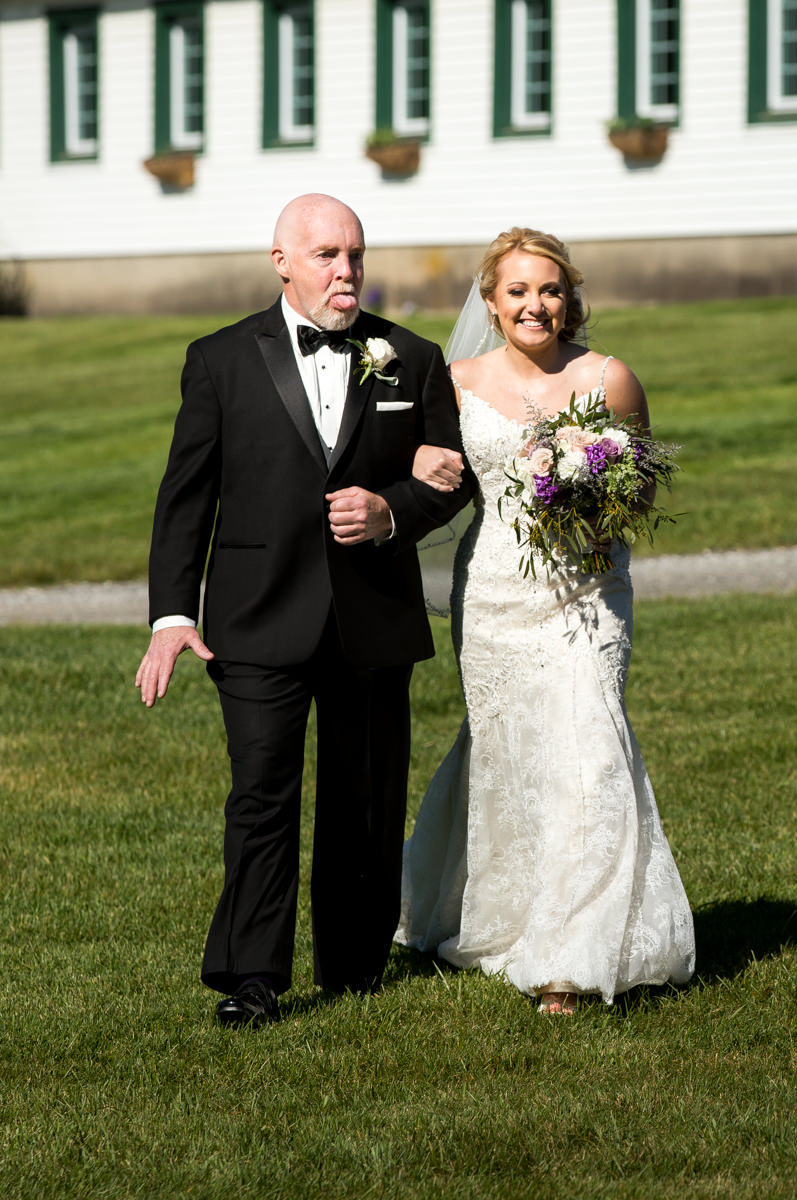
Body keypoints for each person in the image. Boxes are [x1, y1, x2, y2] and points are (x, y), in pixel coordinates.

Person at [135, 194, 475, 1027]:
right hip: (255, 615)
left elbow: (448, 479)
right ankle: (252, 978)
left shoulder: (411, 358)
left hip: (372, 616)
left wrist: (392, 509)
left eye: (355, 254)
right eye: (326, 255)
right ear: (281, 260)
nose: (346, 270)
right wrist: (173, 616)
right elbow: (187, 500)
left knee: (364, 800)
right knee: (260, 795)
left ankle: (355, 969)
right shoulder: (218, 360)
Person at [394, 228, 695, 1015]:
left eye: (551, 290)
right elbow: (426, 476)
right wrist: (420, 469)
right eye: (519, 291)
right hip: (494, 591)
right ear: (490, 304)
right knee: (507, 750)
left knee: (587, 748)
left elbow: (643, 485)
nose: (537, 304)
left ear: (571, 299)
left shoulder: (609, 378)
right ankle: (492, 915)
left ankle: (568, 958)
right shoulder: (454, 382)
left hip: (589, 591)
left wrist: (605, 513)